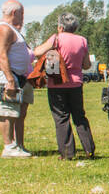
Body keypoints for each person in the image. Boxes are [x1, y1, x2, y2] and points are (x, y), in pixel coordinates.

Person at [33, 12, 96, 160]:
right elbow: (87, 65)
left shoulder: (56, 38)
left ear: (60, 27)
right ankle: (89, 149)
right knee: (79, 117)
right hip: (76, 83)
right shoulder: (82, 40)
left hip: (57, 82)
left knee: (61, 117)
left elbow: (37, 52)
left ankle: (67, 153)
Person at [0, 0, 35, 159]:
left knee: (16, 113)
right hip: (6, 77)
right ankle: (9, 146)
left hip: (17, 76)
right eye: (22, 13)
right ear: (15, 13)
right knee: (7, 112)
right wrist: (9, 80)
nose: (23, 17)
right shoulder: (4, 29)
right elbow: (2, 55)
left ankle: (18, 145)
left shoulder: (12, 30)